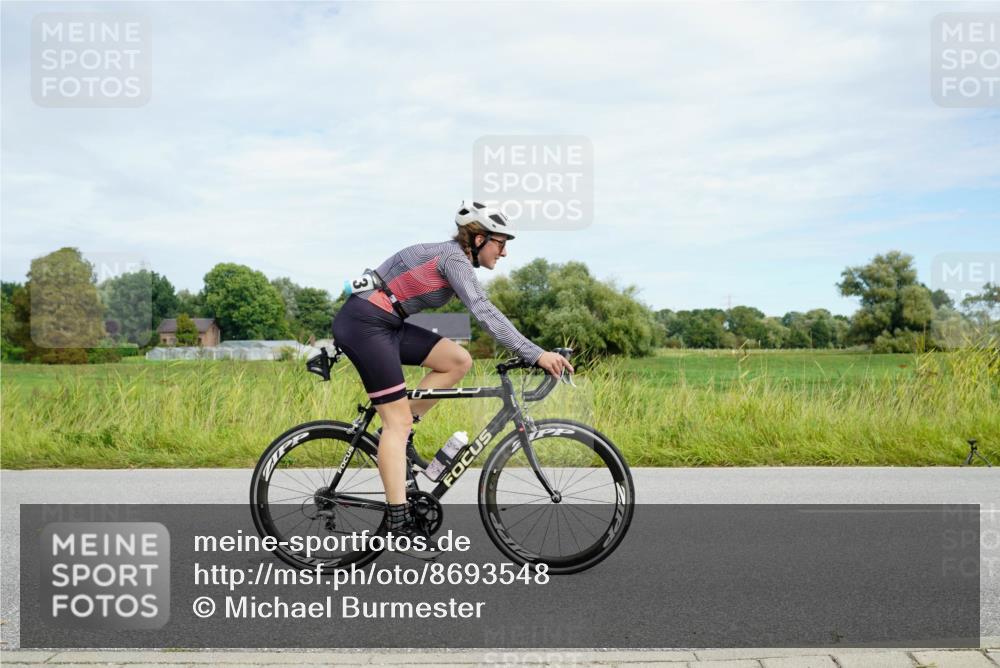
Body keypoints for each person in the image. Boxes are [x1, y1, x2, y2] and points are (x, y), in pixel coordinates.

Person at [331, 200, 573, 557]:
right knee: (395, 422)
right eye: (500, 243)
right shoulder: (454, 259)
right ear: (477, 239)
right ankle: (399, 525)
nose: (504, 252)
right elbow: (483, 310)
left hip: (386, 322)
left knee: (457, 360)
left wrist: (530, 351)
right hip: (365, 323)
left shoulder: (451, 256)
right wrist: (535, 353)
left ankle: (395, 435)